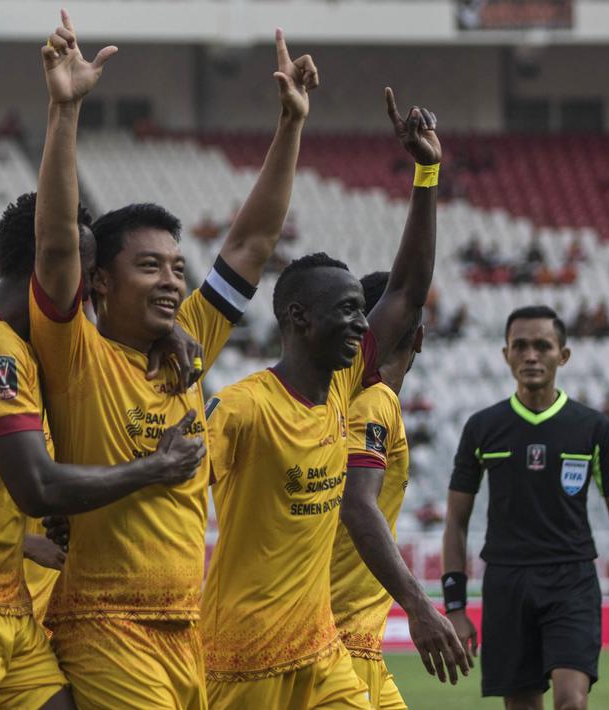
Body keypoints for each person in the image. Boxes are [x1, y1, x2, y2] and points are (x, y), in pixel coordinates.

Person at [30, 13, 311, 707]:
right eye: (148, 266)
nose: (170, 281)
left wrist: (289, 126)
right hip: (104, 624)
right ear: (99, 282)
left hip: (188, 627)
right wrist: (64, 111)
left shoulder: (185, 344)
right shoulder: (77, 357)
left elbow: (249, 245)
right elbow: (59, 246)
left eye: (177, 268)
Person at [0, 191, 208, 709]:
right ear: (50, 265)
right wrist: (155, 468)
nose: (88, 294)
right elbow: (39, 488)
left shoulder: (21, 351)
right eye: (86, 272)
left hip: (5, 602)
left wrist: (169, 331)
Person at [201, 90, 449, 709]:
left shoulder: (343, 386)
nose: (363, 326)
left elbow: (409, 291)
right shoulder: (242, 407)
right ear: (298, 319)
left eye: (363, 314)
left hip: (321, 650)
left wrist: (426, 173)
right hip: (242, 652)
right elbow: (173, 484)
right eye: (346, 312)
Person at [443, 305, 609, 709]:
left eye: (542, 346)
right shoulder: (482, 428)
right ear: (506, 355)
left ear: (563, 355)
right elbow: (456, 521)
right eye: (520, 346)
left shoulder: (594, 428)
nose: (531, 355)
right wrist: (455, 606)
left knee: (571, 701)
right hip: (506, 581)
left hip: (571, 579)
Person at [330, 271, 468, 709]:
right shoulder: (376, 401)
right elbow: (356, 505)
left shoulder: (334, 398)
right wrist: (420, 606)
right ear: (420, 337)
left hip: (353, 640)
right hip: (339, 642)